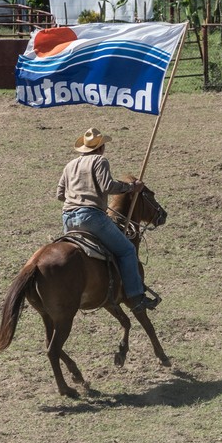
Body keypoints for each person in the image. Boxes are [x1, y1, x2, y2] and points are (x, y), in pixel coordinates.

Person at [57, 127, 158, 313]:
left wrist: (78, 197)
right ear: (101, 148)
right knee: (127, 250)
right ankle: (136, 296)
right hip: (91, 217)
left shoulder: (70, 165)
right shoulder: (100, 160)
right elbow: (107, 186)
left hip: (68, 219)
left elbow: (60, 194)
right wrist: (130, 187)